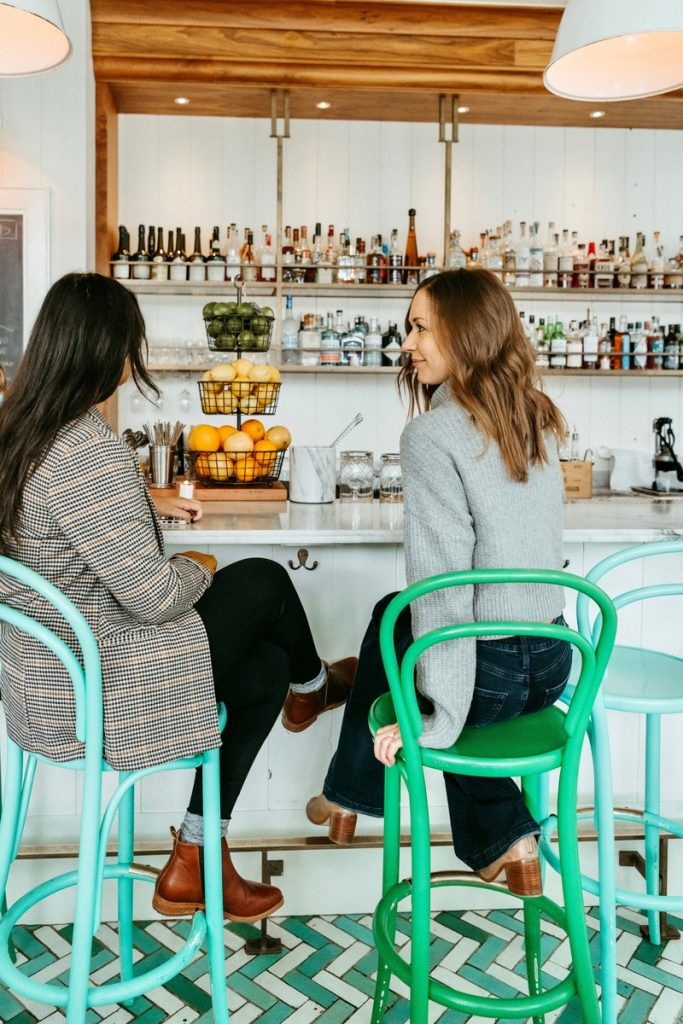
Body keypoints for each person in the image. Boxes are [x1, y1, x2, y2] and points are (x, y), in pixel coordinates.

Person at [0, 272, 356, 923]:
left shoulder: (18, 435)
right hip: (101, 684)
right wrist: (196, 564)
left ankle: (194, 857)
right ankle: (315, 689)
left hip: (40, 685)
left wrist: (145, 507)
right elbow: (154, 597)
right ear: (104, 352)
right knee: (260, 578)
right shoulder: (84, 449)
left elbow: (75, 528)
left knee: (262, 671)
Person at [305, 268, 571, 896]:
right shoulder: (536, 416)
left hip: (493, 675)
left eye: (422, 327)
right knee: (392, 615)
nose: (408, 343)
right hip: (555, 660)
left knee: (416, 644)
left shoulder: (431, 434)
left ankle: (481, 831)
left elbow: (443, 588)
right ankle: (352, 796)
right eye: (408, 327)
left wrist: (440, 718)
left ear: (467, 331)